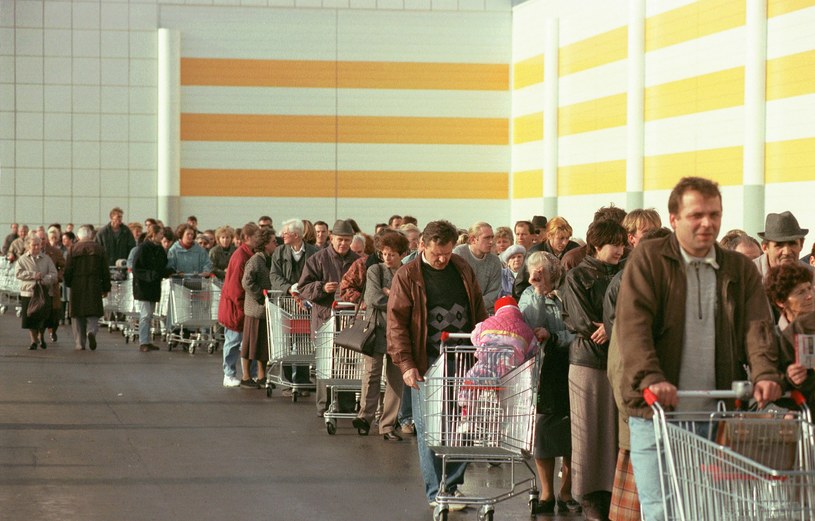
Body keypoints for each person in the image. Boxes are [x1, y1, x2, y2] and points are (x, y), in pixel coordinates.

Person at [616, 176, 782, 521]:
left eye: (714, 214)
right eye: (696, 215)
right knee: (661, 510)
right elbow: (634, 326)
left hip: (716, 411)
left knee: (708, 510)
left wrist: (765, 372)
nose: (707, 223)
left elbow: (757, 326)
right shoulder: (650, 259)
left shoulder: (737, 268)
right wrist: (650, 377)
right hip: (656, 411)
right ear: (674, 219)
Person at [387, 220, 487, 510]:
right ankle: (436, 491)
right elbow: (396, 324)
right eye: (436, 254)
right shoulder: (407, 276)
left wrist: (483, 346)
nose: (442, 259)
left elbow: (477, 307)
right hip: (426, 360)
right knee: (430, 426)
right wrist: (406, 364)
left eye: (447, 252)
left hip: (464, 358)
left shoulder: (462, 268)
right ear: (421, 247)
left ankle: (452, 486)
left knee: (464, 424)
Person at [561, 219, 627, 520]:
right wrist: (605, 328)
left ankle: (613, 493)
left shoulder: (625, 273)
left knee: (614, 434)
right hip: (587, 362)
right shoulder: (577, 275)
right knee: (587, 433)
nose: (621, 249)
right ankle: (589, 496)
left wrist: (613, 328)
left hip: (616, 362)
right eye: (615, 243)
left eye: (623, 243)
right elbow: (578, 318)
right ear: (597, 244)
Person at [519, 251, 580, 515]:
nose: (538, 275)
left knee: (572, 433)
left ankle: (567, 492)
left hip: (571, 366)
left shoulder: (569, 293)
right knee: (543, 431)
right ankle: (547, 492)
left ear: (555, 271)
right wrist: (538, 291)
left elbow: (577, 330)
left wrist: (554, 336)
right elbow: (531, 325)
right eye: (534, 271)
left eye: (543, 271)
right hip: (543, 371)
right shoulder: (528, 295)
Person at [352, 230, 409, 441]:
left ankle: (387, 425)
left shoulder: (407, 272)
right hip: (375, 329)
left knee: (396, 379)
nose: (387, 258)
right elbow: (374, 297)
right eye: (384, 253)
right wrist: (397, 299)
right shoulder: (375, 270)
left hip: (399, 333)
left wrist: (390, 294)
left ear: (402, 254)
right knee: (371, 374)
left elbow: (411, 300)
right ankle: (365, 417)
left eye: (392, 254)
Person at [298, 219, 360, 415]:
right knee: (326, 363)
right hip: (325, 319)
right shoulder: (317, 259)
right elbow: (303, 289)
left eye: (347, 240)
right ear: (331, 238)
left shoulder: (358, 261)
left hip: (350, 319)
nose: (343, 244)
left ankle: (347, 405)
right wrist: (322, 288)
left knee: (348, 363)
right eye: (340, 239)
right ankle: (323, 405)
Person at [269, 218, 320, 395]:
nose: (282, 235)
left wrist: (306, 290)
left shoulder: (314, 252)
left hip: (306, 305)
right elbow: (274, 276)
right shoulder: (279, 252)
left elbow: (318, 275)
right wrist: (289, 288)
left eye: (286, 233)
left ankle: (303, 381)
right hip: (285, 303)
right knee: (285, 342)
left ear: (296, 235)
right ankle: (288, 382)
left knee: (304, 341)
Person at [218, 223, 258, 387]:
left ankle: (251, 373)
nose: (258, 240)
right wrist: (242, 307)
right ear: (247, 238)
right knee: (233, 341)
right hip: (235, 307)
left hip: (241, 305)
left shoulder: (248, 254)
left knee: (248, 342)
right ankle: (229, 373)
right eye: (256, 236)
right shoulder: (240, 256)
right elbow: (235, 287)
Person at [239, 226, 276, 389]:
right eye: (274, 242)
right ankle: (246, 376)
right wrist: (261, 296)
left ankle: (262, 376)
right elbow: (246, 282)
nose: (276, 244)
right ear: (266, 243)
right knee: (249, 344)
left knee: (263, 345)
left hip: (264, 309)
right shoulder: (255, 260)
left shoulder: (267, 259)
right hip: (255, 309)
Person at [64, 225, 111, 351]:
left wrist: (68, 283)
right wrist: (106, 287)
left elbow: (68, 269)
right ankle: (92, 331)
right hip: (94, 283)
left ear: (79, 236)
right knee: (94, 312)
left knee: (77, 314)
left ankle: (80, 343)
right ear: (90, 235)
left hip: (77, 284)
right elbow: (105, 270)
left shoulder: (73, 249)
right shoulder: (99, 249)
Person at [132, 224, 171, 352]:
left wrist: (170, 271)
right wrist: (150, 275)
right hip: (143, 286)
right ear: (153, 234)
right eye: (160, 234)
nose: (162, 236)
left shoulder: (159, 250)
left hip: (153, 286)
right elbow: (136, 268)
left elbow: (162, 267)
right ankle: (143, 341)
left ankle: (147, 340)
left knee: (149, 315)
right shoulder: (143, 248)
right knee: (145, 314)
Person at [15, 235, 58, 350]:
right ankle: (33, 340)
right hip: (28, 292)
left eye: (38, 245)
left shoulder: (46, 259)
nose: (36, 247)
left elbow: (54, 274)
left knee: (43, 317)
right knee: (30, 317)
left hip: (44, 292)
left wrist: (45, 279)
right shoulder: (23, 259)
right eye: (34, 245)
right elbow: (18, 273)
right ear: (28, 246)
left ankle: (41, 336)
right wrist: (33, 275)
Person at [453, 222, 502, 312]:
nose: (491, 241)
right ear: (473, 239)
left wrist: (476, 305)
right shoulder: (459, 254)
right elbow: (454, 287)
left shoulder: (495, 261)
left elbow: (494, 292)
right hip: (460, 308)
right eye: (487, 238)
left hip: (484, 309)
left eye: (492, 237)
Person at [754, 211, 813, 281]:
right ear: (765, 248)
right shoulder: (748, 276)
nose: (787, 252)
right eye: (779, 245)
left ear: (801, 244)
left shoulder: (812, 276)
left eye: (792, 243)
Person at [765, 262, 815, 331]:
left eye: (809, 288)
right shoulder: (775, 339)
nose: (810, 296)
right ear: (781, 302)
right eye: (800, 292)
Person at [42, 226, 66, 342]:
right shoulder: (31, 251)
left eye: (43, 239)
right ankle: (39, 336)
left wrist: (59, 277)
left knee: (54, 312)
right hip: (39, 287)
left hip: (53, 286)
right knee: (40, 311)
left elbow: (63, 265)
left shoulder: (55, 252)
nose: (41, 241)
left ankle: (53, 331)